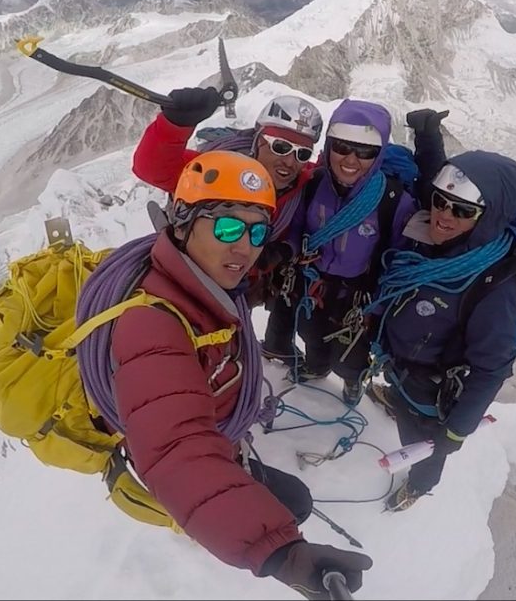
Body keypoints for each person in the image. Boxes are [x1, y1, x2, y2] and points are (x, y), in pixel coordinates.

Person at [111, 150, 372, 596]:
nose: (244, 247)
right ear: (181, 221)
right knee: (295, 503)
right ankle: (195, 524)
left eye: (256, 232)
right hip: (179, 456)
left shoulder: (201, 287)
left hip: (222, 436)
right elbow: (179, 449)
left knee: (293, 500)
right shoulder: (152, 324)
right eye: (228, 227)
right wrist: (279, 553)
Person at [369, 149, 516, 512]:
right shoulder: (431, 242)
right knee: (402, 407)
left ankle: (420, 484)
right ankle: (397, 404)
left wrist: (457, 430)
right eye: (441, 201)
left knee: (425, 444)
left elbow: (491, 367)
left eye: (462, 211)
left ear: (487, 217)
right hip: (402, 369)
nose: (444, 216)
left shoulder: (496, 285)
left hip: (434, 394)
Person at [132, 88, 324, 366]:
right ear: (258, 139)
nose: (289, 161)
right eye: (280, 146)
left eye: (302, 153)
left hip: (242, 280)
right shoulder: (218, 169)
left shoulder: (300, 184)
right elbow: (154, 168)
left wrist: (284, 249)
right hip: (192, 276)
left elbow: (338, 176)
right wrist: (175, 124)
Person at [281, 99, 417, 405]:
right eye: (342, 147)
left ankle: (352, 379)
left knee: (352, 350)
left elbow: (397, 259)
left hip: (360, 296)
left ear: (378, 154)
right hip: (314, 284)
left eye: (365, 152)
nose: (351, 159)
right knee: (311, 332)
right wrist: (289, 252)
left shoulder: (394, 200)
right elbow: (296, 227)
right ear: (329, 146)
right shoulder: (314, 184)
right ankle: (316, 365)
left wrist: (379, 308)